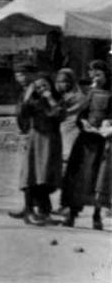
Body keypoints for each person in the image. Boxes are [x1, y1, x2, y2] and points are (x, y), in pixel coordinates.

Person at [9, 65, 64, 226]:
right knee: (32, 174)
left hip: (51, 140)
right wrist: (28, 96)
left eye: (44, 86)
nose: (41, 89)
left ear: (50, 85)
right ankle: (29, 211)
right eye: (38, 87)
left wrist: (50, 98)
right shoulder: (34, 101)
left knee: (45, 176)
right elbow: (22, 113)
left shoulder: (57, 99)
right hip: (37, 138)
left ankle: (44, 211)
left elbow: (58, 114)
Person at [61, 60, 112, 230]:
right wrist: (84, 124)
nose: (96, 78)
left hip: (102, 142)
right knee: (79, 176)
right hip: (85, 142)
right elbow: (81, 114)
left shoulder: (110, 94)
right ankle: (72, 213)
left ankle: (97, 216)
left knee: (99, 178)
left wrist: (107, 128)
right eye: (93, 75)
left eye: (99, 75)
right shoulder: (90, 94)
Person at [56, 68, 88, 163]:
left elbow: (73, 111)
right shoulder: (58, 96)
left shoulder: (80, 97)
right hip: (60, 128)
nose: (64, 84)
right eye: (61, 82)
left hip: (72, 127)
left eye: (66, 81)